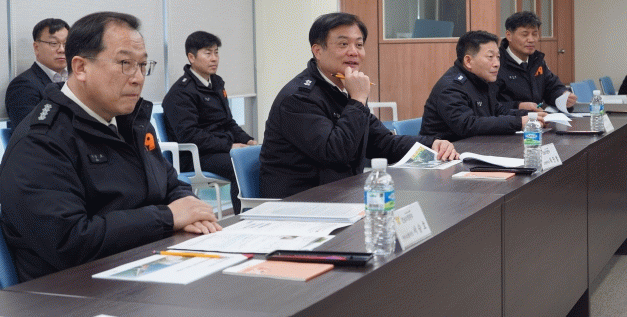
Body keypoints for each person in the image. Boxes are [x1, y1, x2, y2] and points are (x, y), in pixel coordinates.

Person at [0, 12, 221, 282]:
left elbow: (168, 183)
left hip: (145, 266)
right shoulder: (40, 141)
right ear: (80, 67)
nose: (138, 78)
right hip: (71, 290)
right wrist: (168, 217)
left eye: (142, 65)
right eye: (125, 63)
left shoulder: (132, 122)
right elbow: (70, 242)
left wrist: (189, 206)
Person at [260, 12, 458, 199]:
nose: (354, 52)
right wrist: (357, 100)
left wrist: (431, 144)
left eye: (359, 45)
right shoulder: (298, 98)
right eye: (343, 44)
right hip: (302, 203)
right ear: (318, 51)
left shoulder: (344, 88)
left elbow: (382, 142)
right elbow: (336, 154)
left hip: (340, 195)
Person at [162, 31, 256, 215]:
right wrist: (229, 146)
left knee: (260, 157)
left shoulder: (216, 83)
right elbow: (190, 135)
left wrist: (248, 140)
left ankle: (261, 214)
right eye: (208, 53)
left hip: (219, 150)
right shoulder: (180, 93)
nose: (214, 58)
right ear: (191, 57)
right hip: (195, 157)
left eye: (216, 52)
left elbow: (229, 122)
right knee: (241, 165)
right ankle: (244, 219)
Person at [420, 30, 545, 141]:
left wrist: (530, 116)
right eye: (490, 57)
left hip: (474, 146)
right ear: (468, 61)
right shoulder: (451, 87)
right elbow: (468, 125)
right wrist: (519, 122)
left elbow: (497, 111)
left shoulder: (482, 79)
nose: (497, 64)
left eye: (498, 57)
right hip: (444, 153)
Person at [496, 11, 577, 111]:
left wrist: (563, 95)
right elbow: (491, 105)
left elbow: (552, 87)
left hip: (539, 117)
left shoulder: (537, 60)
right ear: (509, 35)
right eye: (524, 35)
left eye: (535, 34)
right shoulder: (496, 63)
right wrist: (519, 106)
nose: (531, 40)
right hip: (512, 119)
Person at [5, 18, 70, 129]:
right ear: (36, 48)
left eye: (66, 44)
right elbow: (30, 131)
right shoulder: (23, 85)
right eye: (54, 43)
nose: (62, 50)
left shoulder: (75, 79)